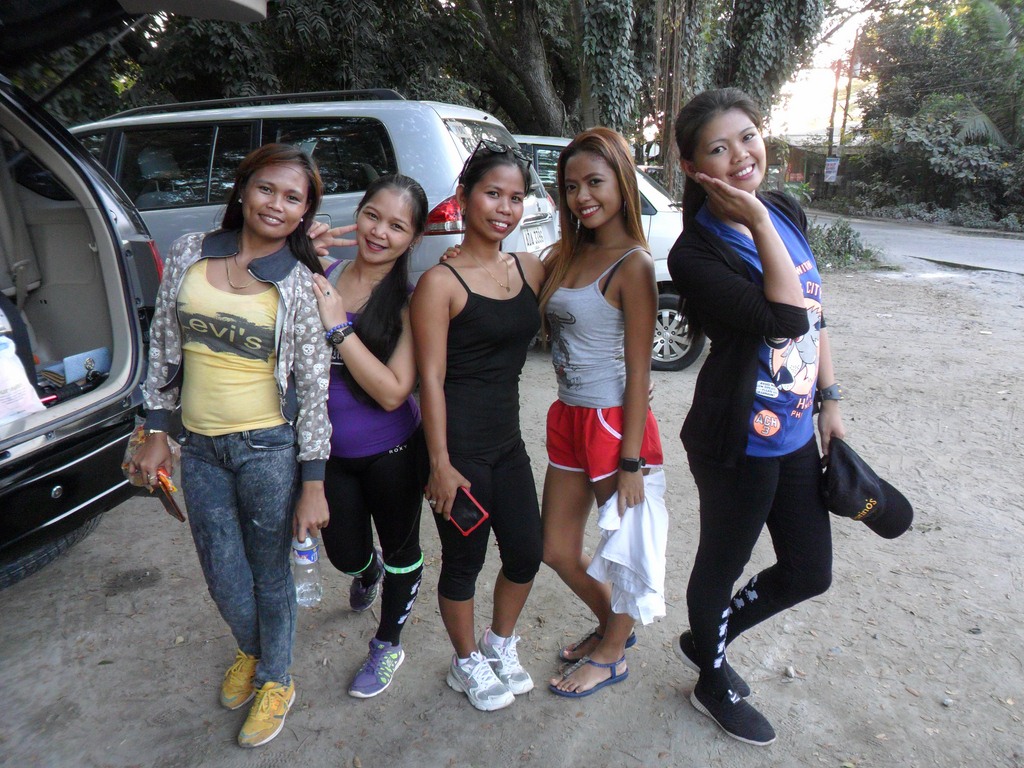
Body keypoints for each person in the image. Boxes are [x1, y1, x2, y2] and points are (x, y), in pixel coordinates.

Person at [127, 143, 332, 749]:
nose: (276, 204)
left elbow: (314, 389)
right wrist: (157, 430)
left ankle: (277, 678)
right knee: (221, 573)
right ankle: (255, 648)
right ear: (243, 189)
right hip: (200, 447)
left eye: (293, 198)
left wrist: (314, 483)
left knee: (269, 573)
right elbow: (164, 345)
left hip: (268, 448)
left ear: (304, 213)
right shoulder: (191, 251)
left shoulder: (300, 284)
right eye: (266, 188)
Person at [667, 88, 846, 746]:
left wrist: (830, 399)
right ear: (693, 168)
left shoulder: (786, 209)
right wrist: (759, 223)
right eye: (719, 148)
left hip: (795, 431)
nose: (742, 155)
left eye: (748, 136)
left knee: (809, 571)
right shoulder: (694, 254)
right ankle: (711, 680)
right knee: (722, 563)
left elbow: (815, 312)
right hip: (736, 440)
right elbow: (787, 316)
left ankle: (705, 639)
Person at [410, 140, 545, 712]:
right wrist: (439, 464)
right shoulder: (439, 283)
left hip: (508, 443)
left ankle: (499, 644)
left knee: (527, 552)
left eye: (515, 197)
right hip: (458, 451)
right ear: (464, 198)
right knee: (464, 562)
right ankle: (465, 662)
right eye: (493, 194)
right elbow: (430, 379)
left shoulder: (531, 267)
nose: (505, 208)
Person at [539, 127, 664, 698]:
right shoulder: (569, 252)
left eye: (594, 182)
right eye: (571, 186)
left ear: (622, 182)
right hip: (569, 416)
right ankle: (614, 625)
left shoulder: (634, 264)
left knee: (625, 553)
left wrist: (631, 460)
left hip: (614, 425)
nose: (581, 197)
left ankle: (612, 655)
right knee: (556, 550)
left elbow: (640, 370)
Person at [307, 174, 429, 699]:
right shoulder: (327, 273)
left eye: (397, 226)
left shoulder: (410, 301)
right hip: (329, 454)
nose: (379, 232)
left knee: (403, 551)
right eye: (372, 216)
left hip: (392, 451)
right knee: (344, 554)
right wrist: (300, 253)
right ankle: (367, 569)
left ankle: (388, 644)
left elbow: (394, 392)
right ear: (357, 214)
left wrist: (340, 328)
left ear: (414, 238)